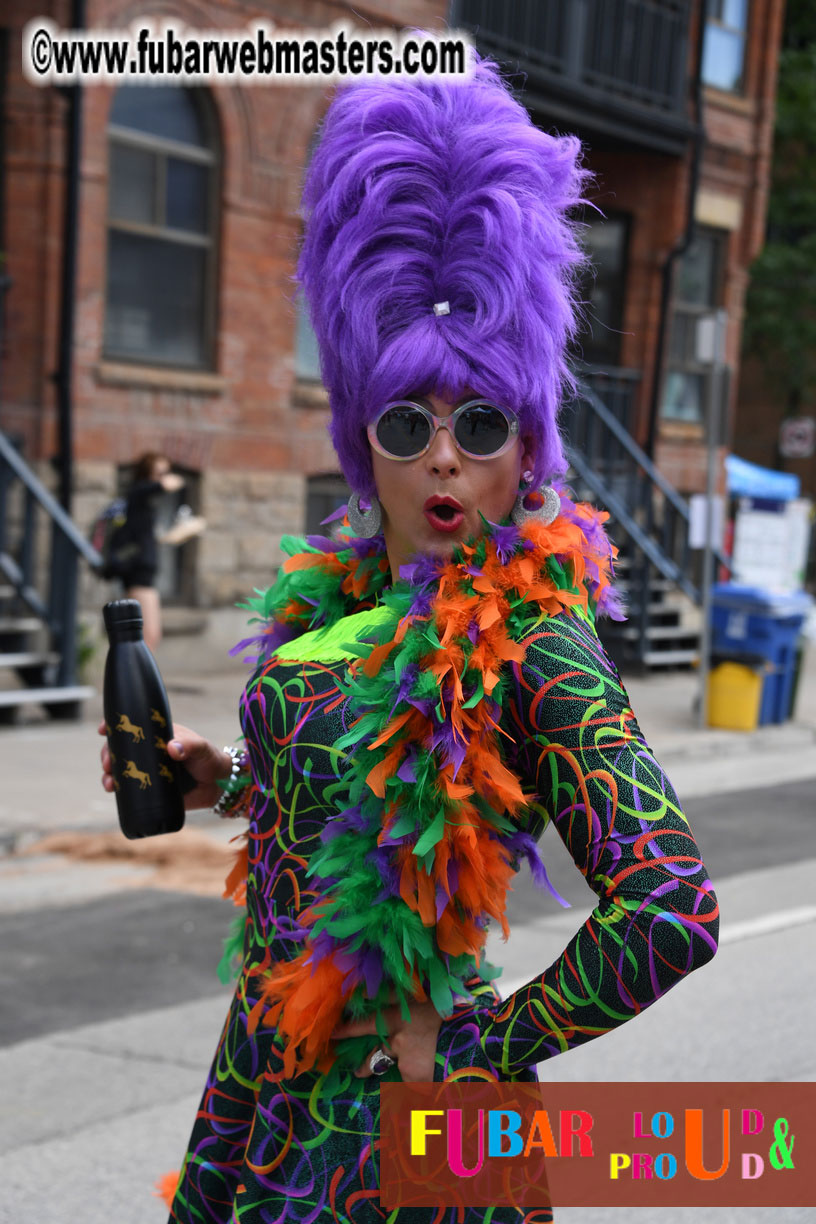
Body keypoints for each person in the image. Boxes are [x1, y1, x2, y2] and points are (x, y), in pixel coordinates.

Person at [100, 56, 719, 1223]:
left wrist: (488, 1040)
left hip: (416, 1111)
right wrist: (227, 783)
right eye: (406, 420)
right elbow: (357, 810)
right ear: (361, 435)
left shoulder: (535, 639)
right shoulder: (337, 605)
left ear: (525, 442)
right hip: (270, 1073)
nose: (443, 454)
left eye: (479, 422)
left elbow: (672, 909)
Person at [115, 452, 204, 651]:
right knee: (147, 636)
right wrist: (168, 480)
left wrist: (180, 532)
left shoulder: (146, 506)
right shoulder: (138, 492)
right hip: (138, 574)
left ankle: (137, 679)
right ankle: (136, 680)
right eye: (159, 472)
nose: (164, 477)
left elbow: (152, 539)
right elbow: (167, 484)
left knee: (148, 636)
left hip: (145, 574)